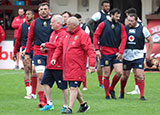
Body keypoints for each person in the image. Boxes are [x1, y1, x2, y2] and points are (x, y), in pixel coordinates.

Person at [51, 17, 95, 114]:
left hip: (77, 67)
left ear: (74, 26)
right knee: (74, 87)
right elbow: (59, 47)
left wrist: (92, 64)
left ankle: (69, 109)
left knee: (73, 88)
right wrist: (54, 58)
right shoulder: (66, 35)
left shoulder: (83, 35)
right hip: (67, 66)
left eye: (68, 25)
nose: (66, 26)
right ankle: (83, 105)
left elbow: (90, 51)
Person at [93, 8, 127, 100]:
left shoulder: (121, 26)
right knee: (107, 74)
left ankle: (111, 89)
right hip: (105, 52)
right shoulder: (103, 24)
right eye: (116, 16)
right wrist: (97, 49)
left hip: (116, 53)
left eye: (119, 17)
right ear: (111, 15)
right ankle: (107, 94)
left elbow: (124, 39)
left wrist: (121, 52)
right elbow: (95, 36)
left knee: (119, 72)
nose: (118, 18)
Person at [25, 2, 53, 108]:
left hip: (51, 52)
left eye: (45, 9)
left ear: (49, 10)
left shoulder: (53, 21)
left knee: (49, 78)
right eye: (41, 9)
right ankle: (42, 101)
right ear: (39, 11)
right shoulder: (35, 23)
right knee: (40, 76)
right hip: (38, 52)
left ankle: (47, 98)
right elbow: (30, 38)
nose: (43, 11)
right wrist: (27, 52)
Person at [119, 13, 153, 100]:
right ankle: (122, 91)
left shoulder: (142, 29)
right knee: (125, 76)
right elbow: (119, 40)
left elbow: (150, 40)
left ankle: (142, 95)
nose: (129, 22)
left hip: (138, 56)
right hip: (127, 56)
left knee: (140, 75)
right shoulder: (124, 28)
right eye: (128, 20)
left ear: (136, 21)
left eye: (131, 21)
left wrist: (148, 54)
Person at [39, 15, 68, 112]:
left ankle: (66, 106)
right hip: (50, 64)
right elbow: (53, 48)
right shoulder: (52, 33)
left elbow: (58, 46)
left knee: (63, 87)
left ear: (59, 23)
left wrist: (46, 44)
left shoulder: (63, 34)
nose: (50, 23)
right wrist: (46, 50)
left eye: (52, 22)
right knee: (45, 82)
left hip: (59, 65)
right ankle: (49, 103)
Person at [13, 10, 37, 99]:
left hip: (35, 49)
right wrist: (15, 51)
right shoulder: (22, 26)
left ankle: (34, 93)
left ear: (33, 16)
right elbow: (18, 40)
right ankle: (28, 91)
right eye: (26, 14)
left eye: (29, 14)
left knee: (34, 70)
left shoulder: (36, 25)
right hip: (24, 49)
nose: (27, 16)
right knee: (27, 69)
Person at [87, 0, 110, 88]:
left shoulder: (109, 16)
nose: (107, 8)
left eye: (108, 6)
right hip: (99, 41)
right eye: (106, 6)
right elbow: (89, 23)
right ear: (102, 7)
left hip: (107, 41)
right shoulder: (98, 15)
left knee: (106, 62)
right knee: (101, 61)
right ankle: (101, 82)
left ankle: (105, 81)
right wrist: (93, 34)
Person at [124, 8, 145, 95]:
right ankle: (137, 88)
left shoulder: (139, 25)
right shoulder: (137, 22)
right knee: (135, 71)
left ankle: (138, 88)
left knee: (138, 71)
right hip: (134, 50)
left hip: (138, 50)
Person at [74, 13, 90, 91]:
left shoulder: (85, 27)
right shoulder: (71, 28)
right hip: (74, 51)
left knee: (83, 68)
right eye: (77, 20)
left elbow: (87, 38)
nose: (79, 22)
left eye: (80, 20)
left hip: (83, 50)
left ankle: (84, 85)